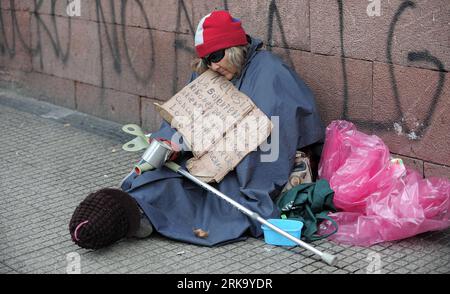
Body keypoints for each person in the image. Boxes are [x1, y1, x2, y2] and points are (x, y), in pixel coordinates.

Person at [69, 10, 324, 249]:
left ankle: (149, 217)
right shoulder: (211, 71)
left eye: (216, 56)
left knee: (219, 201)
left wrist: (238, 175)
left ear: (235, 47)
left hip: (253, 165)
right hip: (208, 157)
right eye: (206, 59)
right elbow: (184, 119)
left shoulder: (270, 76)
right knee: (156, 177)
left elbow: (273, 145)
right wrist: (170, 145)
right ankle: (133, 212)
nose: (212, 66)